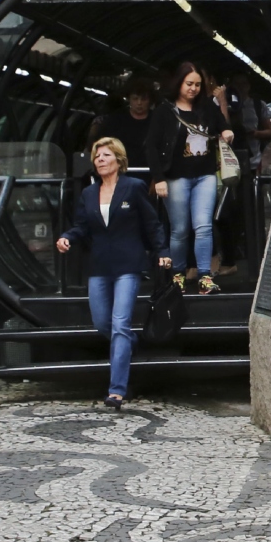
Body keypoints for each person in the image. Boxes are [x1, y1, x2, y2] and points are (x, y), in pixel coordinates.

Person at [55, 138, 171, 410]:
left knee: (120, 323)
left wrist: (162, 251)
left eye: (106, 155)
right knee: (102, 323)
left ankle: (116, 390)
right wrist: (67, 238)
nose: (100, 160)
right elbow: (81, 226)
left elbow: (151, 224)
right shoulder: (88, 193)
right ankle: (130, 341)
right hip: (99, 266)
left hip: (128, 265)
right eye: (97, 156)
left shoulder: (133, 187)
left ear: (119, 160)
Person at [144, 61, 234, 294]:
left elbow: (223, 125)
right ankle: (178, 275)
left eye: (197, 84)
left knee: (203, 226)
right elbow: (151, 146)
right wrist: (159, 178)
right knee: (180, 229)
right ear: (179, 83)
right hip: (175, 177)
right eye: (189, 84)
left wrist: (226, 132)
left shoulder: (206, 107)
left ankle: (204, 276)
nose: (193, 88)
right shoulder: (165, 111)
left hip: (204, 175)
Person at [88, 77, 156, 168]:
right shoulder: (115, 121)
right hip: (120, 173)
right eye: (135, 98)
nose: (139, 103)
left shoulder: (158, 121)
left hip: (150, 173)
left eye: (143, 99)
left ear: (150, 100)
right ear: (129, 99)